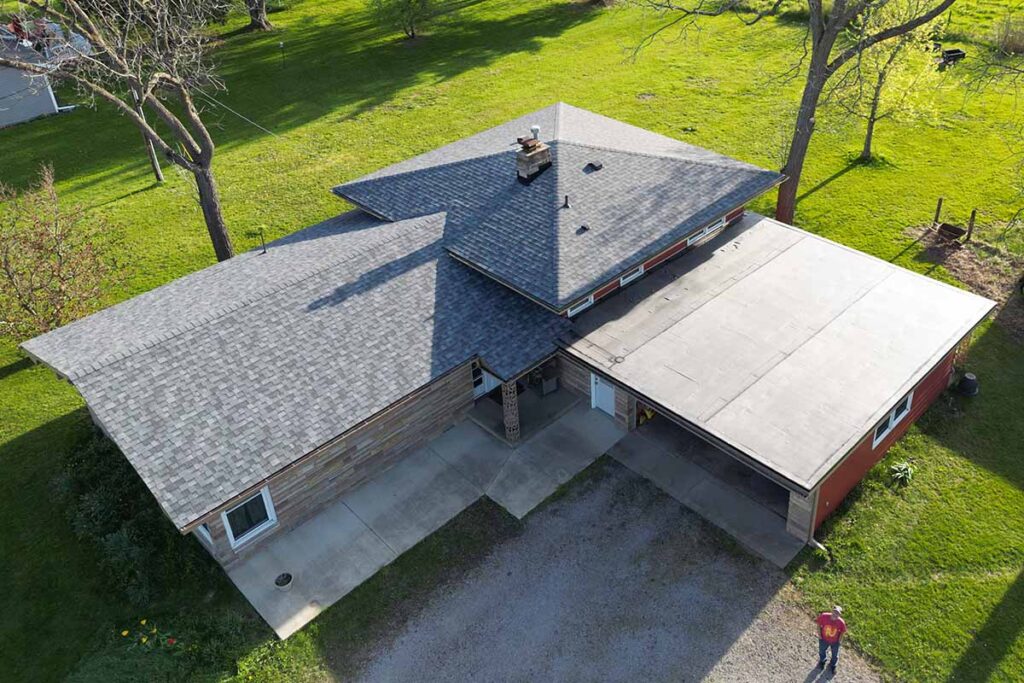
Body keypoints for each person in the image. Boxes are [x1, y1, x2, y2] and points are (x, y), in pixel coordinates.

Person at [816, 605, 847, 674]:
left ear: (839, 615)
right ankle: (822, 661)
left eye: (837, 613)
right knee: (822, 650)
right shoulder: (824, 616)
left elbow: (842, 632)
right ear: (832, 611)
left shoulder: (841, 622)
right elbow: (818, 624)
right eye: (835, 612)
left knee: (835, 655)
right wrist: (819, 634)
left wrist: (839, 640)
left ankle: (833, 665)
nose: (835, 614)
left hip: (835, 641)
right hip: (824, 639)